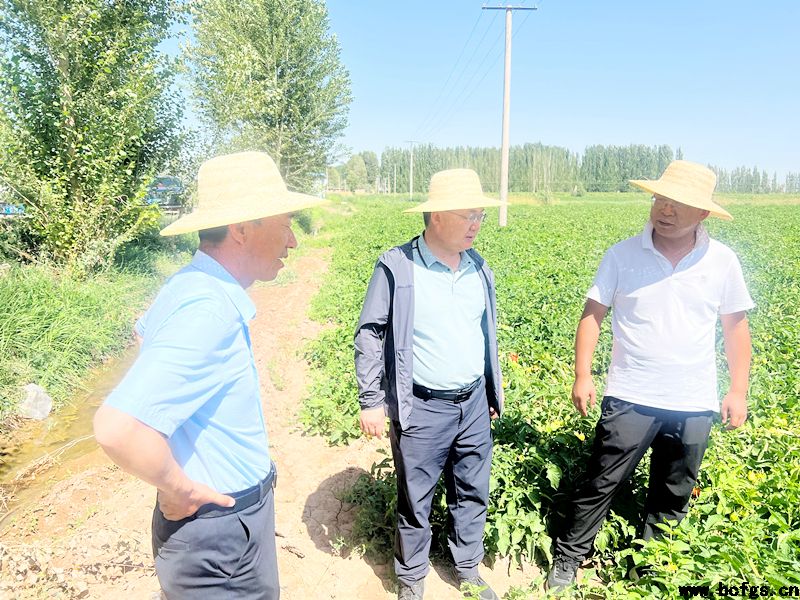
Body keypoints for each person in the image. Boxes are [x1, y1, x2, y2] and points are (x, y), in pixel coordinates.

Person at [93, 151, 324, 599]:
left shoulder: (189, 284)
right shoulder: (209, 309)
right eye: (285, 223)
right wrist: (177, 488)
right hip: (217, 535)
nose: (292, 241)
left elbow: (146, 343)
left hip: (221, 528)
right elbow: (116, 427)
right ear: (241, 229)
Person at [547, 160, 754, 591]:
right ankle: (569, 557)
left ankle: (650, 567)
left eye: (680, 204)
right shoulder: (622, 255)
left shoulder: (722, 261)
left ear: (703, 214)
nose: (665, 210)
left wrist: (738, 389)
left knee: (674, 489)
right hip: (630, 392)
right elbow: (592, 316)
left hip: (693, 399)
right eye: (661, 198)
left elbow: (735, 328)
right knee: (602, 480)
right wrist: (582, 374)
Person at [355, 168, 506, 600]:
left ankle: (467, 568)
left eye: (480, 214)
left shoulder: (479, 266)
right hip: (422, 405)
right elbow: (370, 333)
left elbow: (484, 332)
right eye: (467, 215)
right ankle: (411, 579)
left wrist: (489, 391)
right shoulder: (397, 266)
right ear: (436, 216)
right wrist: (371, 400)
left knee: (472, 490)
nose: (477, 223)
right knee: (416, 499)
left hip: (473, 403)